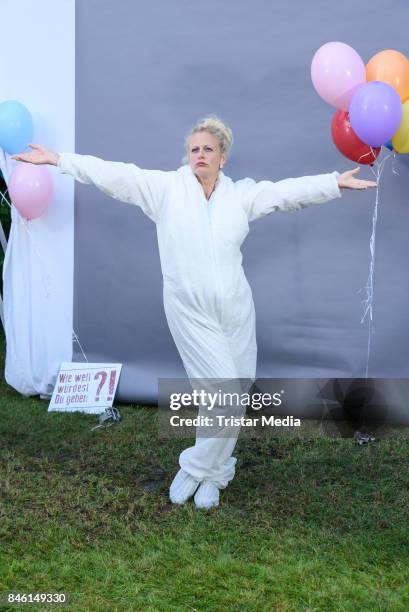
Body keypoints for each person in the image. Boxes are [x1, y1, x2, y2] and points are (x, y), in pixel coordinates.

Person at [11, 116, 377, 509]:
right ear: (187, 156)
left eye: (208, 149)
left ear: (223, 157)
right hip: (190, 309)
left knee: (229, 392)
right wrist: (59, 160)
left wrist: (331, 183)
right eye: (194, 149)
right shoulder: (166, 189)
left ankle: (214, 475)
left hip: (236, 309)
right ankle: (193, 466)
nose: (200, 155)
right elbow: (115, 175)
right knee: (224, 392)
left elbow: (285, 193)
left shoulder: (240, 196)